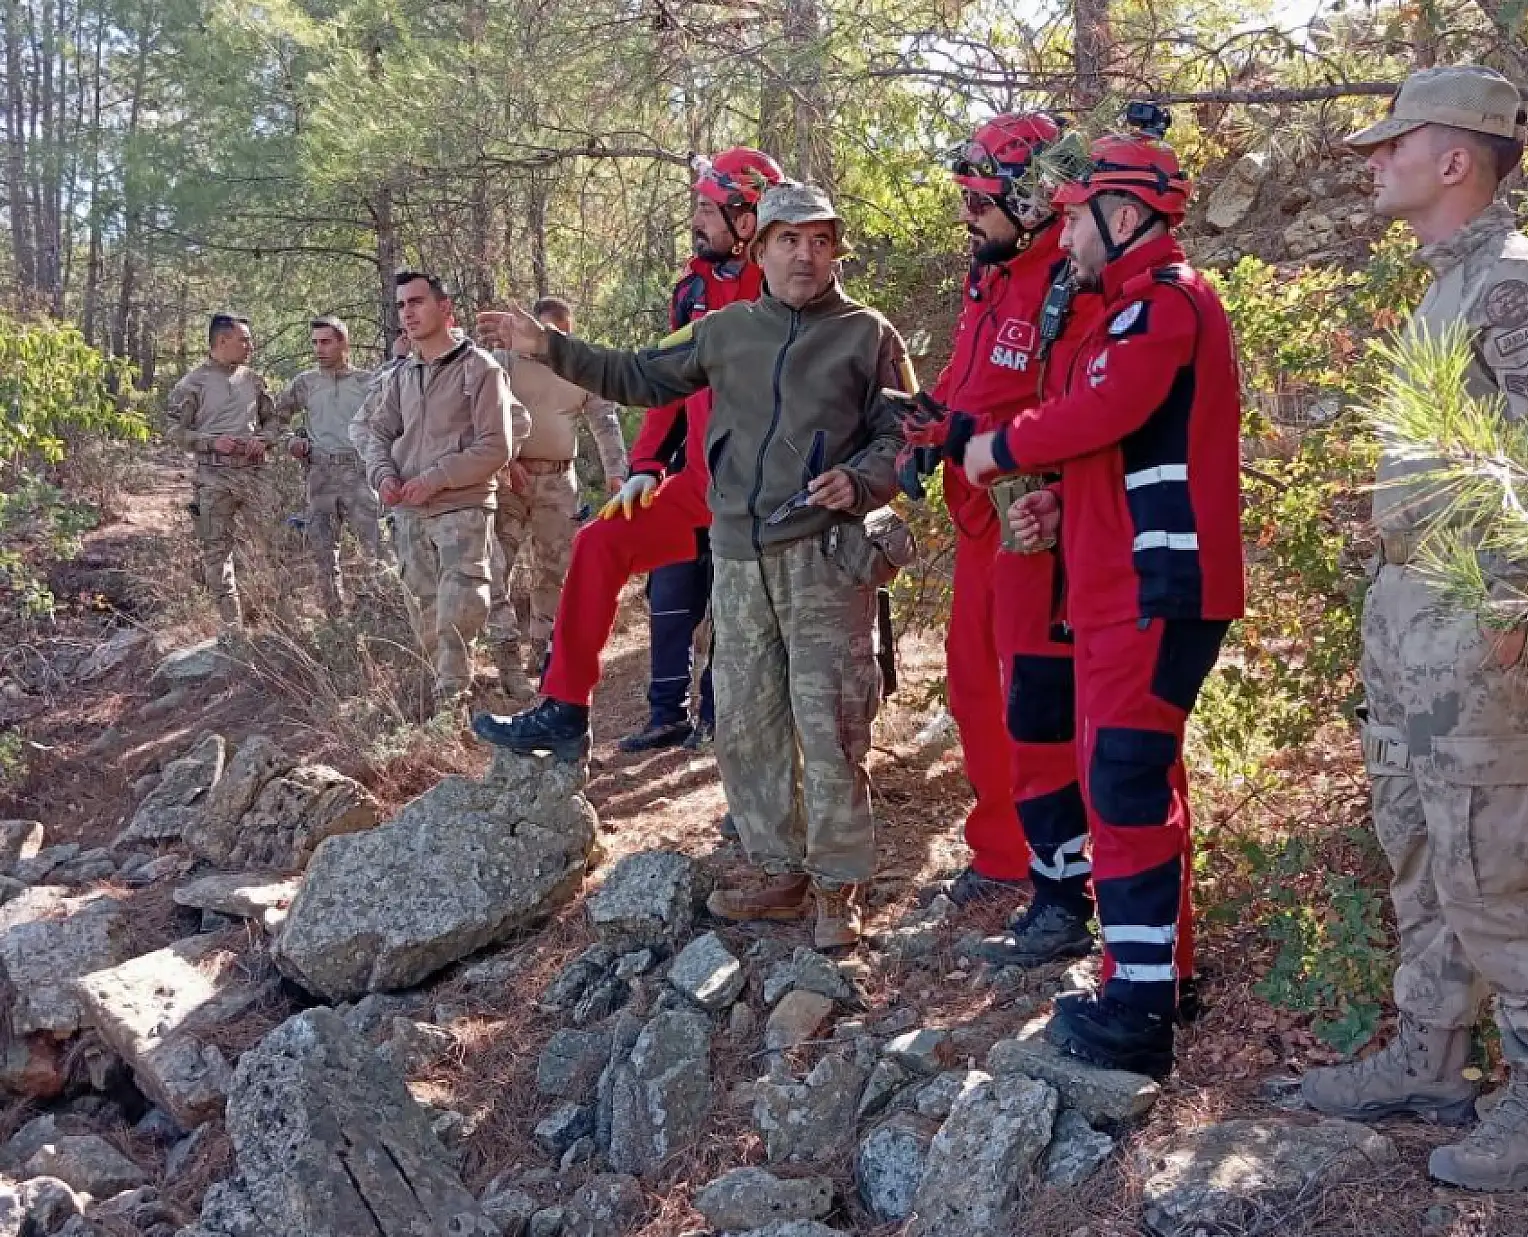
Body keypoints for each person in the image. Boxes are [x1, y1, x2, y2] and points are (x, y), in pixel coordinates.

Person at [1297, 65, 1528, 1192]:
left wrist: (1512, 608)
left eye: (1390, 144)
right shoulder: (1450, 285)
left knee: (1494, 864)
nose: (1374, 161)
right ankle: (1429, 1056)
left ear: (1454, 158)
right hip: (1413, 619)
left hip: (1476, 625)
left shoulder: (1515, 286)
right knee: (1420, 850)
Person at [478, 182, 909, 949]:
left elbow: (903, 435)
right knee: (746, 723)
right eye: (788, 239)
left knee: (833, 723)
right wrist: (546, 347)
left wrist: (864, 479)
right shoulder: (724, 331)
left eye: (819, 240)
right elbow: (642, 375)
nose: (805, 254)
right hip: (740, 559)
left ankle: (839, 883)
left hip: (825, 559)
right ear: (761, 248)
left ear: (835, 249)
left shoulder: (867, 333)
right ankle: (778, 869)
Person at [962, 111, 1244, 1078]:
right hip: (1121, 588)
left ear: (1125, 214)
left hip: (1154, 590)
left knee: (1123, 785)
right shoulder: (1131, 306)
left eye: (1080, 216)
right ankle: (1158, 974)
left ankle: (1137, 1014)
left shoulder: (1161, 304)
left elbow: (1106, 411)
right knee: (1139, 779)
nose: (1066, 234)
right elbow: (1121, 449)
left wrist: (1001, 447)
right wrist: (1049, 498)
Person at [471, 148, 783, 757]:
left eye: (706, 208)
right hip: (698, 484)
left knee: (748, 623)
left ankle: (749, 757)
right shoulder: (693, 286)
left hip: (768, 491)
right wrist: (644, 466)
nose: (696, 220)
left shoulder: (784, 282)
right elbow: (665, 382)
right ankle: (564, 708)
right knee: (598, 542)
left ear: (747, 218)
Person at [903, 112, 1107, 965]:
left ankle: (1066, 874)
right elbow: (965, 374)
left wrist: (971, 434)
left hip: (1034, 516)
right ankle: (1000, 848)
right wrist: (926, 420)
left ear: (1026, 198)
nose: (968, 215)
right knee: (972, 687)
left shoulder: (1070, 279)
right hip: (978, 512)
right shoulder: (988, 273)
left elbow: (1064, 405)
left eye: (981, 199)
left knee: (1036, 698)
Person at [349, 272, 524, 709]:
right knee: (425, 615)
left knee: (459, 612)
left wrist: (438, 477)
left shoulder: (481, 369)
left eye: (417, 302)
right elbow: (376, 431)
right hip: (409, 513)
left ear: (445, 308)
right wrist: (383, 475)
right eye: (402, 305)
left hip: (461, 509)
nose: (407, 312)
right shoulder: (402, 376)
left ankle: (455, 707)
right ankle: (447, 715)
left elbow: (496, 445)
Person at [485, 297, 630, 696]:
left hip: (558, 481)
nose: (558, 339)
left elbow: (605, 420)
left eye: (564, 333)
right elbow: (484, 416)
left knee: (555, 567)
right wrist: (505, 462)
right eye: (551, 331)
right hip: (508, 480)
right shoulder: (504, 364)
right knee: (498, 565)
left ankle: (545, 648)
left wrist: (617, 473)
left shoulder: (578, 369)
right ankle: (504, 656)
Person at [165, 313, 282, 631]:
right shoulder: (192, 383)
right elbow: (173, 431)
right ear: (221, 341)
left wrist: (264, 440)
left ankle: (275, 623)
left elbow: (273, 421)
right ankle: (233, 628)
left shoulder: (254, 380)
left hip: (255, 475)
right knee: (217, 552)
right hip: (214, 478)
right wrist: (211, 442)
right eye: (243, 340)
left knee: (271, 544)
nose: (250, 346)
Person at [275, 316, 385, 618]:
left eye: (326, 342)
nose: (319, 349)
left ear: (343, 343)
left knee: (375, 549)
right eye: (315, 343)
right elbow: (275, 418)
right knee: (323, 551)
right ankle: (334, 620)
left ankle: (374, 617)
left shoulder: (367, 382)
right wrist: (289, 442)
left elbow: (391, 424)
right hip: (319, 474)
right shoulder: (305, 383)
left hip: (360, 474)